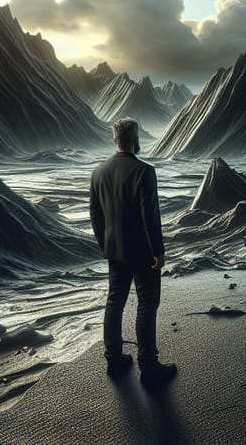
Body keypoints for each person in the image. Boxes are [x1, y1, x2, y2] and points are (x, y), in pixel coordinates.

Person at [89, 117, 176, 387]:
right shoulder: (144, 171)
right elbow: (149, 215)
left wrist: (105, 244)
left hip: (114, 250)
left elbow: (94, 215)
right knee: (147, 304)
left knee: (114, 303)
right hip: (142, 251)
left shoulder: (98, 172)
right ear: (136, 139)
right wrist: (158, 251)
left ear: (115, 139)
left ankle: (114, 359)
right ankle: (148, 367)